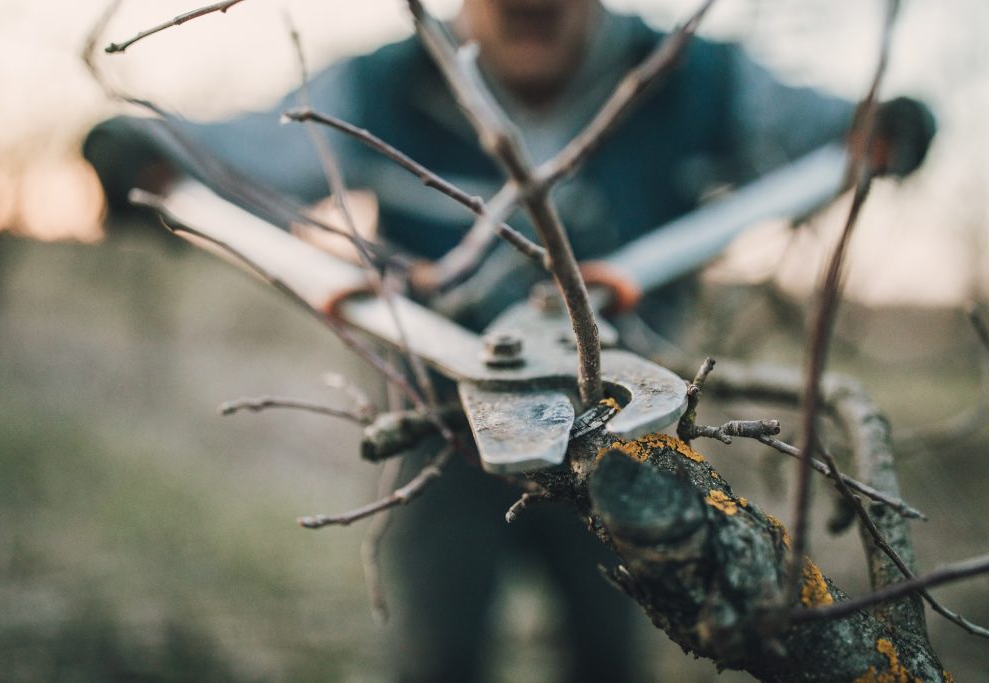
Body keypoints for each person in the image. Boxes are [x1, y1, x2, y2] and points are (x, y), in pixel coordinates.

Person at [83, 1, 935, 680]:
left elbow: (834, 132)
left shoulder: (694, 75)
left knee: (611, 656)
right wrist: (151, 155)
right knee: (436, 657)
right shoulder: (378, 86)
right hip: (441, 432)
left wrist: (879, 129)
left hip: (627, 437)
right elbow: (243, 154)